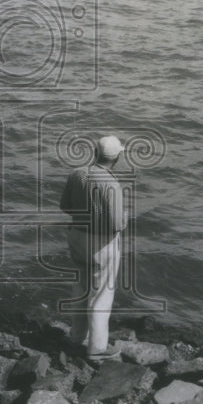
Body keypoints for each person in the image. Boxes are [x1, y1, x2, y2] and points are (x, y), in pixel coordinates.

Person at [59, 135, 128, 360]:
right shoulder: (112, 184)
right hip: (101, 244)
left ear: (95, 152)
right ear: (116, 157)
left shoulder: (78, 173)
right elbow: (117, 224)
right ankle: (97, 349)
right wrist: (125, 217)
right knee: (101, 294)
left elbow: (64, 206)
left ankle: (76, 337)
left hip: (76, 237)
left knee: (80, 288)